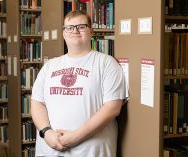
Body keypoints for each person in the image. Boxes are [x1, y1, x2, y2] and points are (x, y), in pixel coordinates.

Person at [31, 10, 128, 157]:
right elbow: (37, 103)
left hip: (91, 151)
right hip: (50, 149)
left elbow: (112, 108)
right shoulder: (50, 65)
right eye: (69, 27)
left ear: (91, 31)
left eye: (81, 27)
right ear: (64, 33)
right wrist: (46, 132)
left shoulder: (107, 63)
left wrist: (76, 136)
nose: (75, 31)